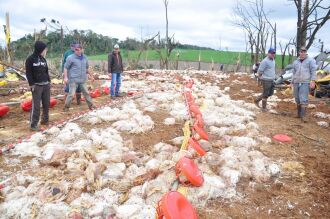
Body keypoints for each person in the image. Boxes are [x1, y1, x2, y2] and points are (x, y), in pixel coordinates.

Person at [25, 41, 51, 131]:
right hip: (36, 86)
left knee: (46, 104)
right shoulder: (30, 59)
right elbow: (28, 72)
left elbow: (46, 71)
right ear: (40, 49)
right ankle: (33, 124)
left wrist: (49, 81)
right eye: (44, 49)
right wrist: (31, 84)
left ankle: (45, 120)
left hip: (46, 84)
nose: (45, 51)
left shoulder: (43, 59)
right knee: (36, 106)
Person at [63, 44, 96, 111]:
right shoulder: (70, 58)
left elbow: (86, 68)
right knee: (71, 94)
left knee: (86, 93)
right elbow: (65, 68)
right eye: (75, 50)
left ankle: (91, 105)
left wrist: (91, 76)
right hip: (73, 79)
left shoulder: (85, 58)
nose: (76, 51)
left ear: (81, 50)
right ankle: (66, 107)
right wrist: (65, 77)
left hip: (83, 79)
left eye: (78, 49)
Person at [292, 47, 316, 122]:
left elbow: (313, 71)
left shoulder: (310, 61)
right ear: (299, 53)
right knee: (297, 98)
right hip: (296, 82)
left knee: (303, 99)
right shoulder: (296, 62)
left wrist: (313, 81)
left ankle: (303, 116)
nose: (302, 53)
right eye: (301, 52)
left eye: (304, 52)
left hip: (305, 82)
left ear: (306, 52)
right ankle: (298, 114)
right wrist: (292, 81)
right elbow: (293, 72)